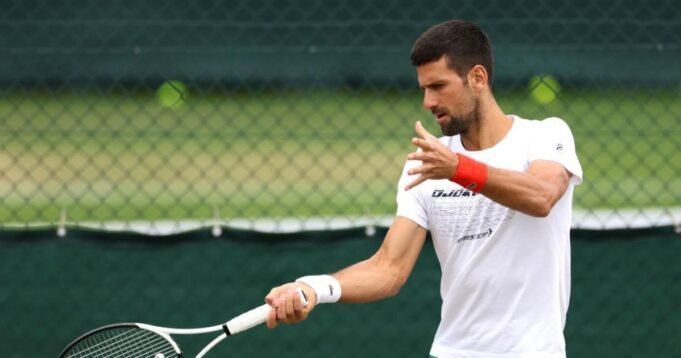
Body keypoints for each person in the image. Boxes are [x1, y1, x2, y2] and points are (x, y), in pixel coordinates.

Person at [265, 19, 583, 358]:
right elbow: (388, 270)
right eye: (423, 89)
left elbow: (541, 196)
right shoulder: (427, 164)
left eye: (439, 86)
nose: (428, 102)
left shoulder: (545, 136)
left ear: (477, 78)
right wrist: (314, 287)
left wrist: (458, 169)